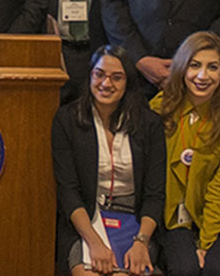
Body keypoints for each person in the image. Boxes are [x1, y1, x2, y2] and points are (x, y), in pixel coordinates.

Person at [51, 45, 163, 276]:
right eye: (99, 74)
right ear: (90, 75)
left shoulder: (149, 123)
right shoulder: (67, 120)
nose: (106, 83)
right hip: (86, 221)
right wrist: (94, 243)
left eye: (116, 77)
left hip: (136, 224)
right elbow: (68, 191)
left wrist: (141, 242)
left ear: (128, 82)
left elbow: (155, 194)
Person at [149, 33, 220, 276]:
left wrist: (206, 242)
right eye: (195, 65)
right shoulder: (158, 109)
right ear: (182, 68)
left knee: (214, 270)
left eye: (212, 67)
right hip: (173, 218)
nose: (203, 76)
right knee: (186, 269)